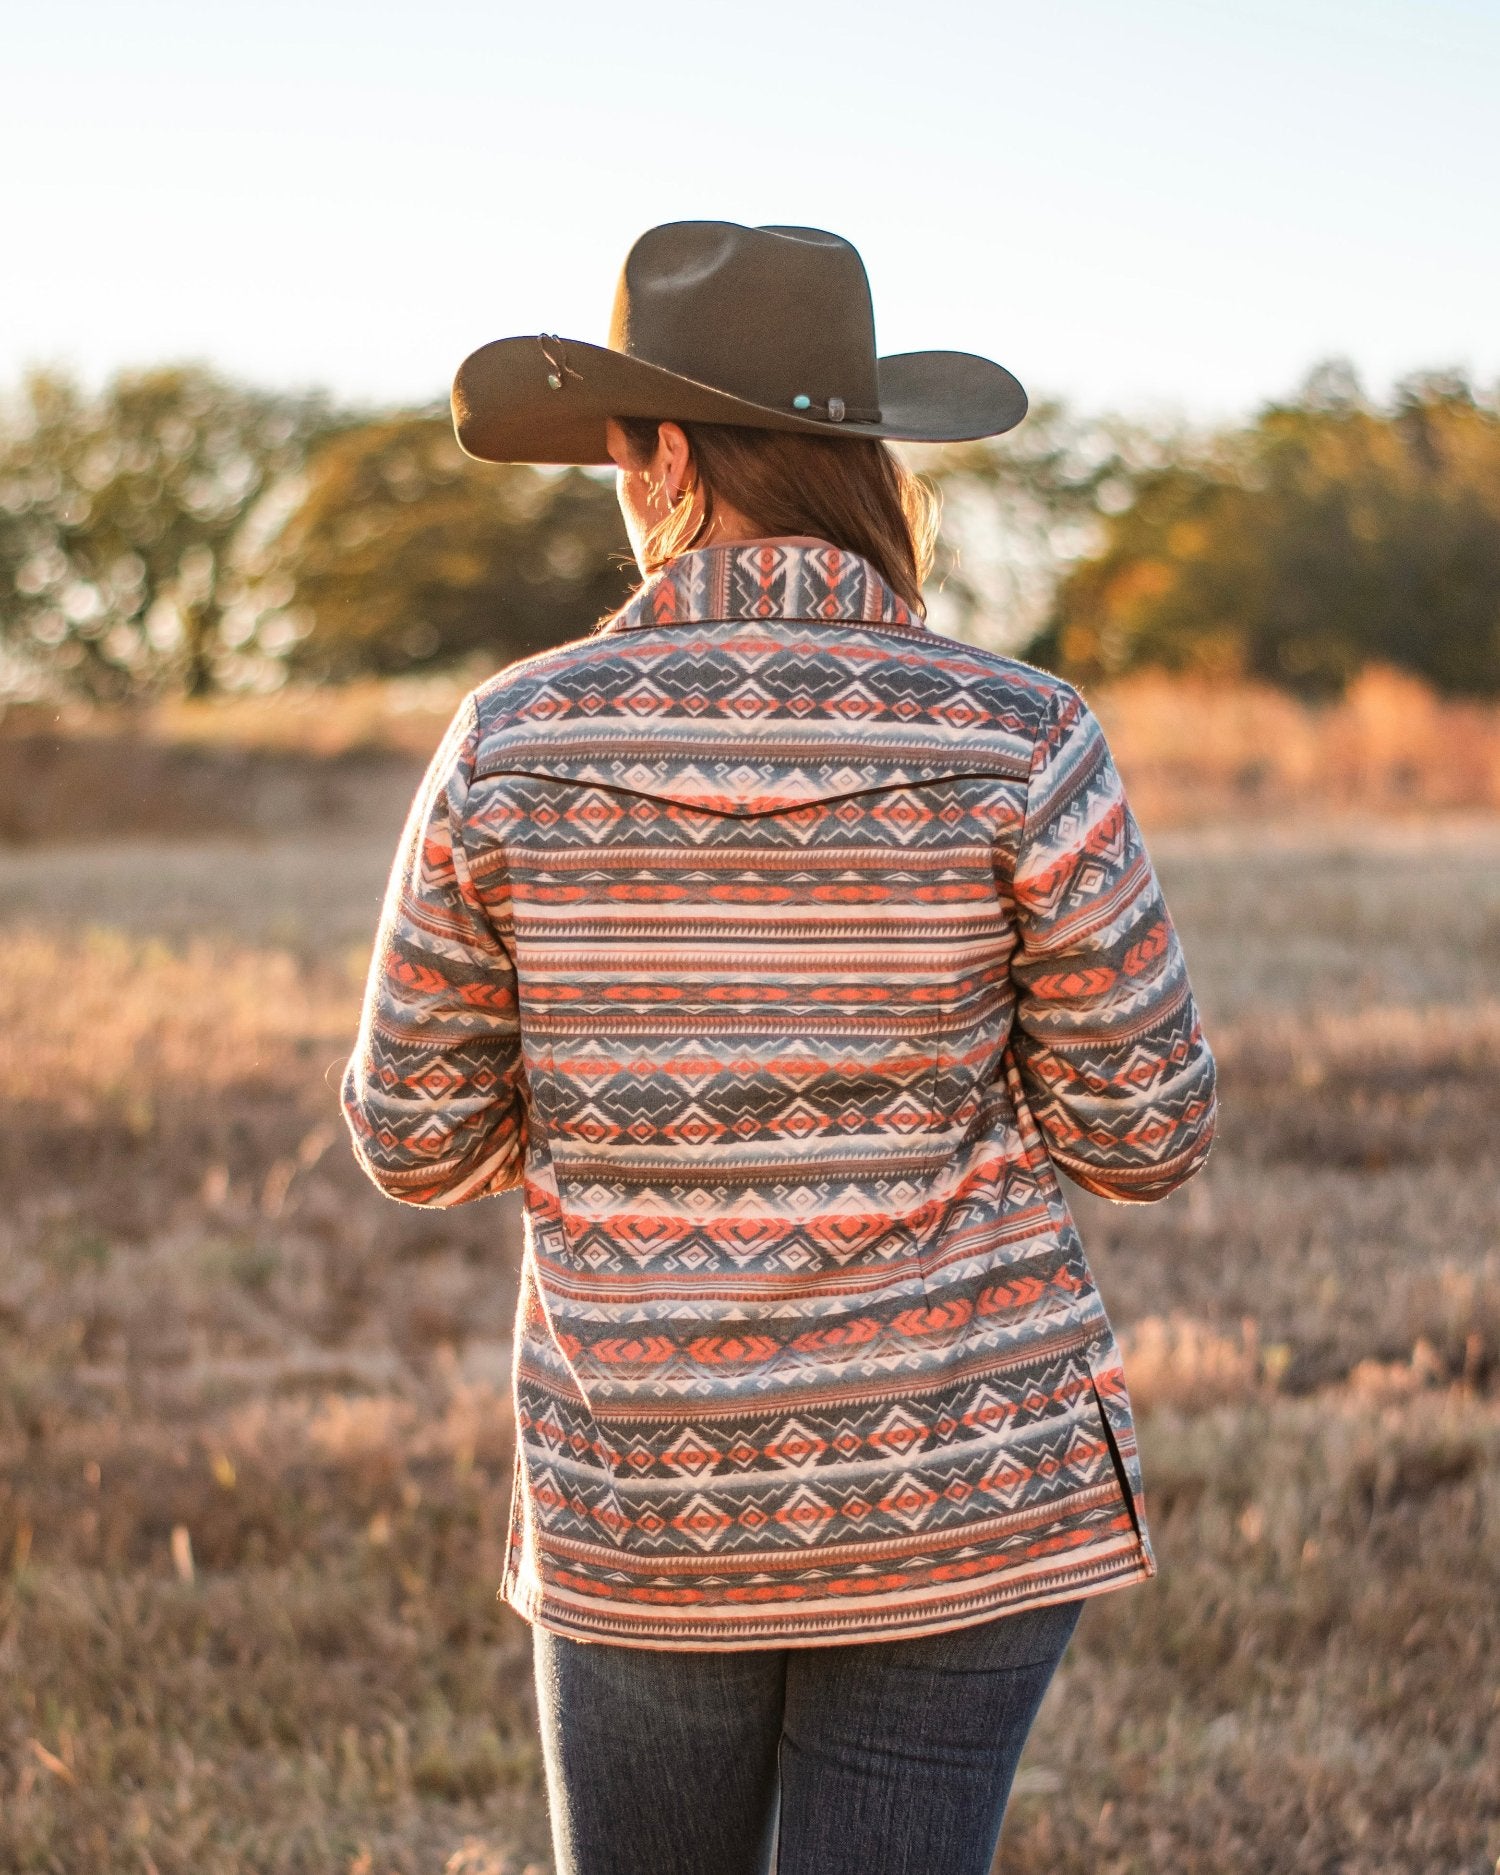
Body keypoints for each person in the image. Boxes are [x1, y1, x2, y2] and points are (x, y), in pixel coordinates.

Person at [341, 221, 1218, 1875]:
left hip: (643, 1489)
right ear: (859, 461)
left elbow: (413, 1138)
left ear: (666, 456)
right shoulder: (1022, 734)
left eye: (616, 452)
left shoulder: (512, 741)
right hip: (958, 1482)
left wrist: (623, 1099)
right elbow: (1148, 1136)